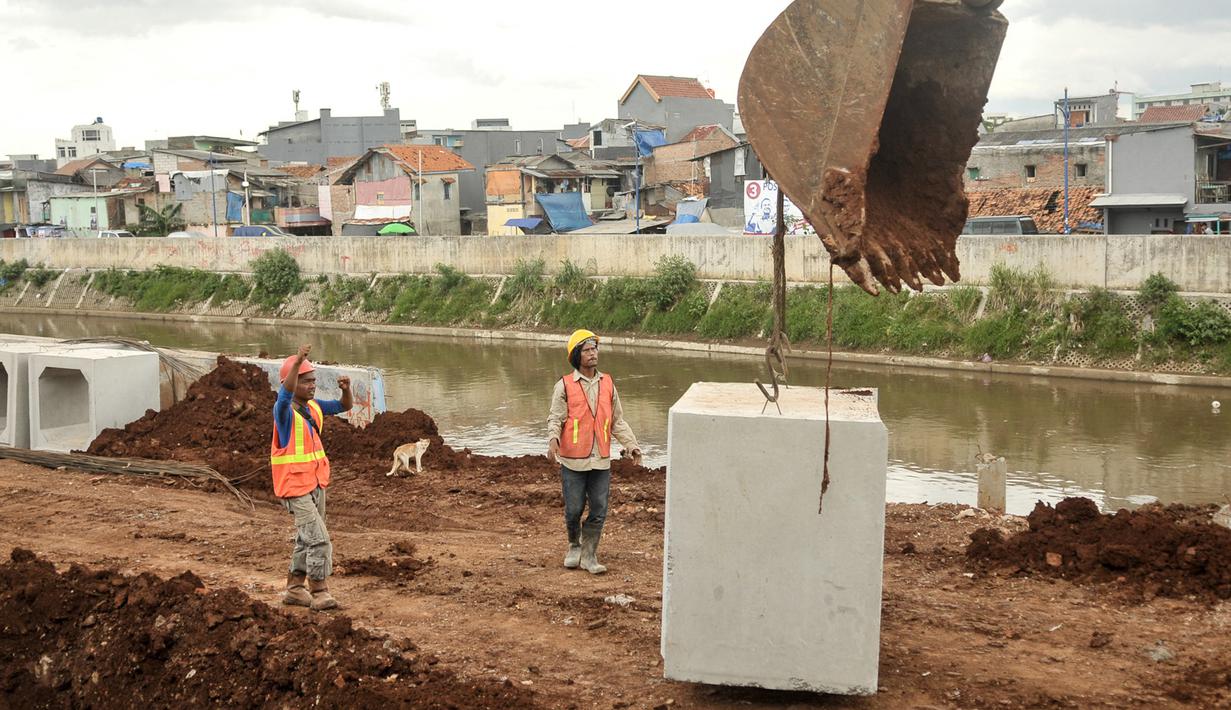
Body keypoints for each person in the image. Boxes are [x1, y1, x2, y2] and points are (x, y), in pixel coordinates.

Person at [547, 330, 641, 575]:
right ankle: (574, 545)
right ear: (577, 355)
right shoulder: (564, 385)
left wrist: (631, 445)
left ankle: (589, 555)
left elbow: (618, 420)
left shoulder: (607, 383)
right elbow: (555, 418)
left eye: (594, 349)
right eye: (587, 350)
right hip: (573, 460)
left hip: (600, 460)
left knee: (599, 508)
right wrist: (553, 439)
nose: (592, 354)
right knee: (574, 508)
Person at [272, 344, 352, 611]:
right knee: (319, 539)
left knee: (306, 538)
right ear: (291, 382)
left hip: (316, 483)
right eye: (306, 382)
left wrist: (346, 389)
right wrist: (297, 362)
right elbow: (283, 397)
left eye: (313, 381)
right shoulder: (283, 414)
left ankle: (295, 589)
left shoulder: (314, 408)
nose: (312, 386)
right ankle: (319, 591)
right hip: (294, 487)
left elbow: (343, 406)